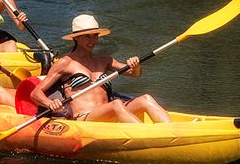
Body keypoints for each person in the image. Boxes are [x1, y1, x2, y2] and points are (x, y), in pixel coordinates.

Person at [29, 14, 171, 123]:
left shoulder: (105, 61)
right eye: (87, 37)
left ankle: (172, 132)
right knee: (116, 104)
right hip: (84, 117)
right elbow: (36, 93)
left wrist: (136, 65)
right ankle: (145, 136)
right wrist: (50, 103)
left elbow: (135, 74)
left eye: (95, 36)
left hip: (109, 113)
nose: (93, 41)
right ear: (76, 38)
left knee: (145, 98)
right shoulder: (66, 62)